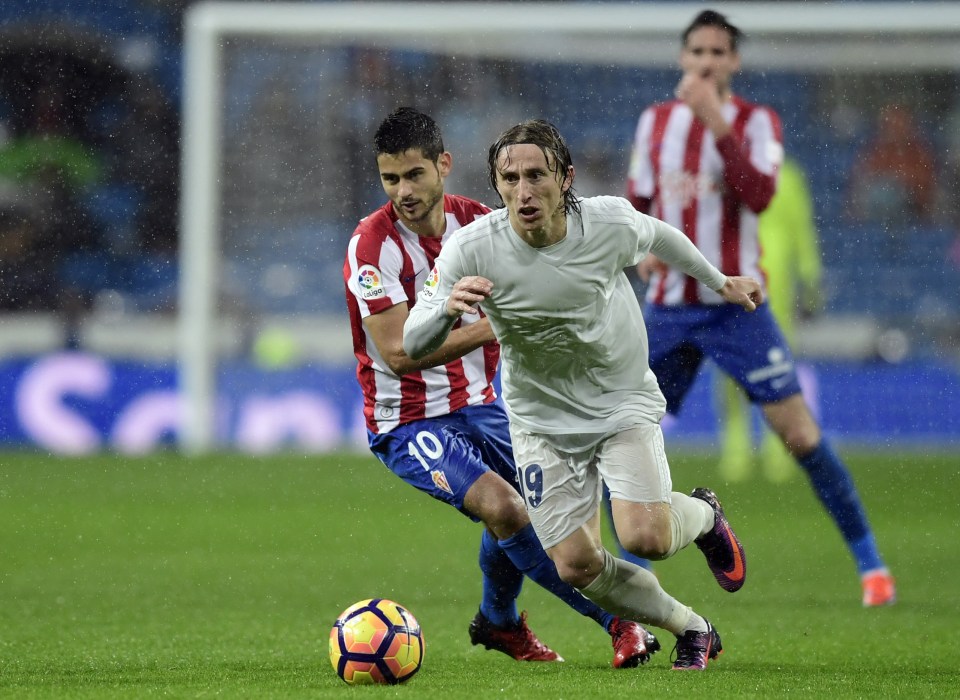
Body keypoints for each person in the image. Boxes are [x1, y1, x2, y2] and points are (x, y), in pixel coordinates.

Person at [404, 118, 761, 671]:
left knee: (646, 536)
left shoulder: (607, 223)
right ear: (496, 187)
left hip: (618, 401)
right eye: (510, 178)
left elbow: (661, 235)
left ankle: (707, 518)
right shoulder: (471, 249)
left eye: (536, 175)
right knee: (575, 564)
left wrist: (721, 283)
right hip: (541, 421)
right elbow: (412, 339)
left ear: (565, 178)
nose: (524, 191)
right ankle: (692, 627)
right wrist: (447, 309)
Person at [343, 107, 658, 669]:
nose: (404, 191)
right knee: (506, 508)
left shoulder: (485, 224)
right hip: (408, 421)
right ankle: (619, 622)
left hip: (485, 405)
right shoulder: (371, 248)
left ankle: (498, 622)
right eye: (391, 179)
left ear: (444, 165)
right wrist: (496, 324)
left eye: (414, 175)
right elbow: (397, 354)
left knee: (539, 507)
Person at [624, 9, 895, 606]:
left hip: (736, 306)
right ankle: (623, 577)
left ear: (734, 63)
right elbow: (638, 200)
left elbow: (760, 193)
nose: (706, 61)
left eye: (719, 52)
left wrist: (717, 121)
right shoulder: (654, 124)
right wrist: (642, 247)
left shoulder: (754, 122)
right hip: (669, 308)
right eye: (697, 50)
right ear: (682, 58)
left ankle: (871, 563)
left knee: (799, 434)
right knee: (625, 434)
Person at [715, 155, 823, 482]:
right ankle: (770, 450)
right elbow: (802, 230)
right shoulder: (786, 176)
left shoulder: (738, 172)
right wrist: (810, 278)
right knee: (775, 364)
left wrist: (809, 276)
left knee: (737, 362)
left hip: (749, 271)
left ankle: (743, 450)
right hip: (765, 273)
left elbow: (800, 229)